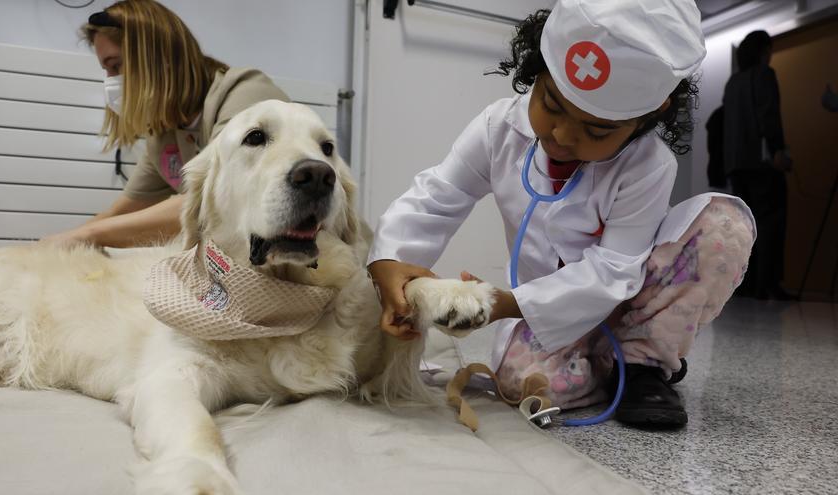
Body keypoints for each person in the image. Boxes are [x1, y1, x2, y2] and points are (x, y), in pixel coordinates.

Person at [368, 0, 755, 428]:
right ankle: (608, 362)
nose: (561, 136)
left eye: (597, 130)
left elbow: (614, 269)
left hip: (633, 297)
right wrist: (390, 259)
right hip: (549, 311)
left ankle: (643, 364)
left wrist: (505, 303)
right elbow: (439, 195)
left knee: (724, 227)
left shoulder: (649, 165)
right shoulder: (498, 129)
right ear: (535, 69)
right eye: (551, 104)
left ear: (648, 115)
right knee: (519, 383)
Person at [43, 0, 288, 248]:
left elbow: (211, 199)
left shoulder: (247, 96)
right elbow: (124, 210)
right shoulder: (164, 135)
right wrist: (57, 243)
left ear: (160, 57)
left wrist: (89, 235)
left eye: (116, 66)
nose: (111, 82)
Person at [723, 30, 793, 300]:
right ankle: (767, 285)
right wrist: (778, 150)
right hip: (761, 163)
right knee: (770, 223)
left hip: (736, 165)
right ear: (763, 51)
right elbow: (768, 114)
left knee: (744, 226)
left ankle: (745, 286)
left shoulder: (732, 83)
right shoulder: (764, 74)